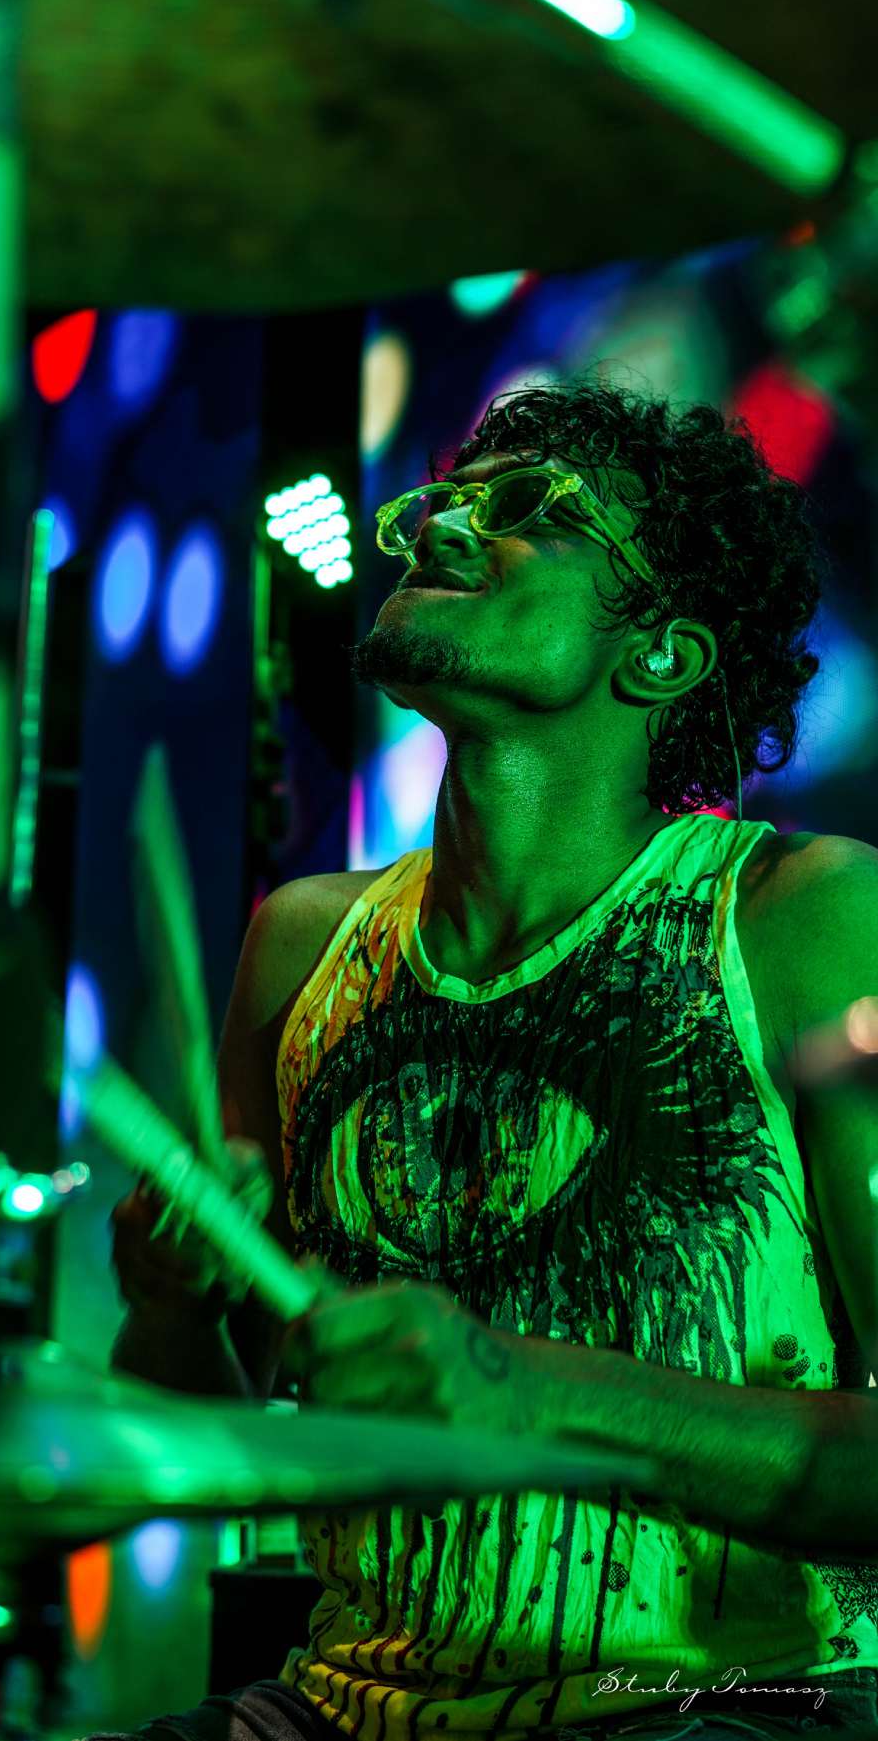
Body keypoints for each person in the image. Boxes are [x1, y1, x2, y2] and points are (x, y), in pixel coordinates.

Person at [108, 382, 878, 1739]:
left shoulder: (805, 918)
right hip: (344, 1705)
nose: (444, 527)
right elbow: (230, 1451)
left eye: (533, 513)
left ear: (663, 655)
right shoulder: (304, 944)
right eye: (448, 499)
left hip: (721, 1700)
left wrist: (524, 1385)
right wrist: (172, 1308)